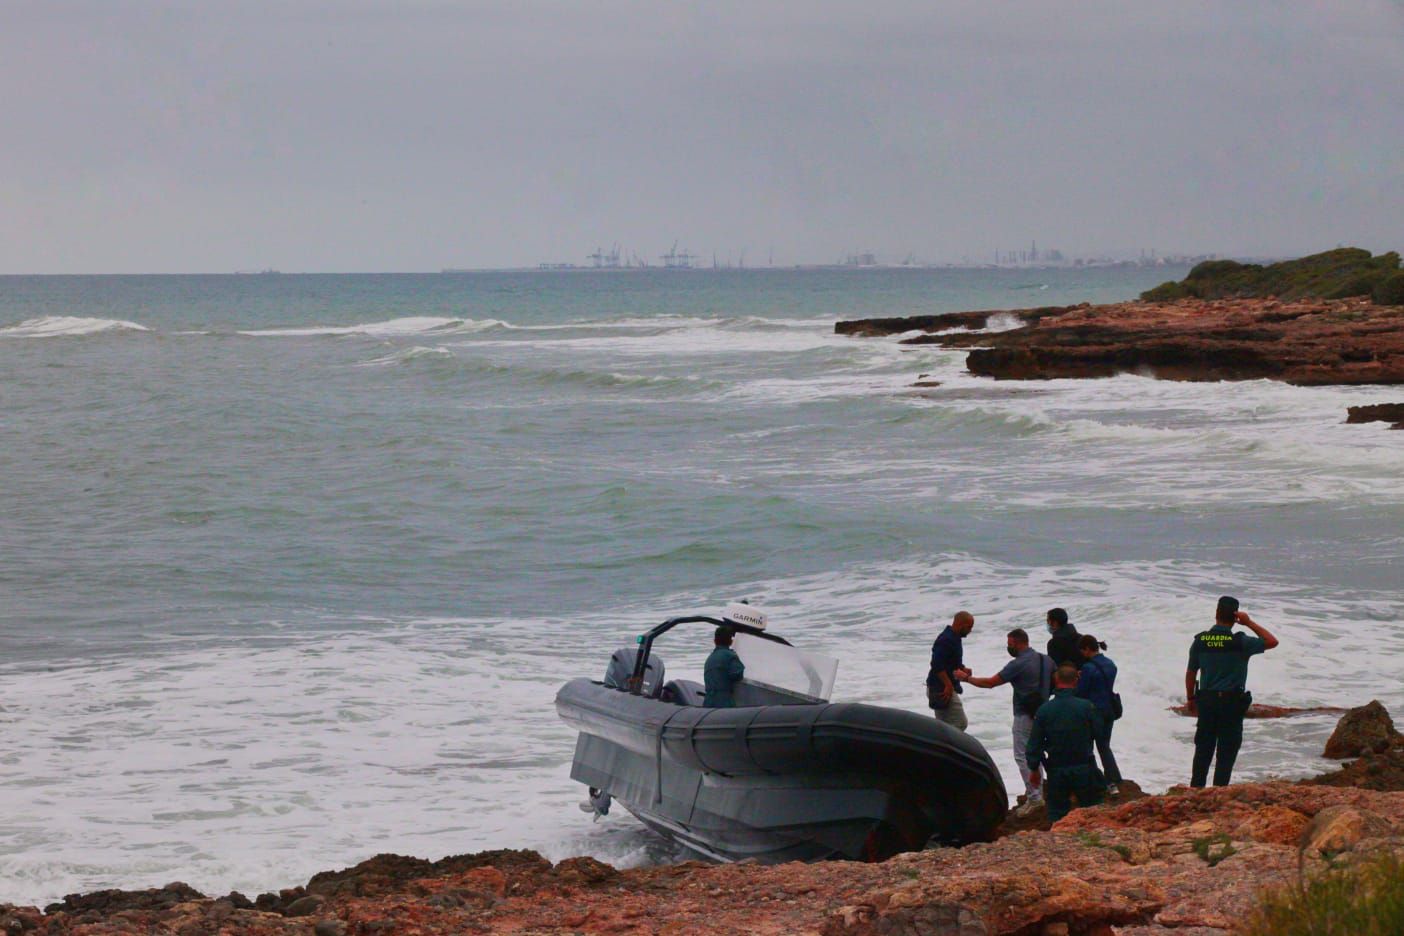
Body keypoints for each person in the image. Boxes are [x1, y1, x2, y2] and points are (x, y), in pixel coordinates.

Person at [1185, 596, 1279, 787]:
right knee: (1226, 751)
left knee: (1203, 749)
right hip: (1231, 703)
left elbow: (1191, 672)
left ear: (1216, 614)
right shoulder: (1240, 642)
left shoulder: (1201, 641)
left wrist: (1191, 698)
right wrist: (1249, 622)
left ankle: (1196, 791)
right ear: (1236, 617)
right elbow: (1272, 641)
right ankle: (1219, 791)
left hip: (1208, 701)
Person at [961, 628, 1052, 806]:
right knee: (1038, 753)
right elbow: (1056, 681)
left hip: (1024, 714)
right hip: (1045, 712)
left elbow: (990, 683)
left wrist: (966, 679)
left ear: (1018, 643)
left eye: (1010, 644)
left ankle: (1035, 797)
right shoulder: (1046, 660)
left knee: (1023, 755)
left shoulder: (1017, 664)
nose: (1008, 647)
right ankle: (1039, 790)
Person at [1027, 664, 1105, 824]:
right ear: (1076, 680)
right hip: (1085, 767)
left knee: (1057, 815)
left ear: (1056, 681)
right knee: (1092, 814)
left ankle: (1059, 845)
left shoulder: (1044, 710)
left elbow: (1035, 743)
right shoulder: (1086, 707)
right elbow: (1100, 736)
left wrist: (1034, 768)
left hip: (1057, 770)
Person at [1075, 634, 1123, 796]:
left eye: (1082, 650)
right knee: (1104, 747)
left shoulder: (1088, 668)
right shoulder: (1110, 664)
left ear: (1087, 649)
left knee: (1087, 748)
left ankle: (1094, 781)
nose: (1082, 654)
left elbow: (1081, 692)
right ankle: (1113, 782)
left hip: (1093, 712)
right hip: (1109, 710)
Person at [926, 611, 974, 731]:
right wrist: (948, 684)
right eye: (969, 627)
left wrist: (962, 668)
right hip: (941, 688)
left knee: (943, 724)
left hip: (941, 686)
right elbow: (936, 664)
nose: (970, 630)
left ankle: (939, 747)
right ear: (960, 624)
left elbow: (949, 662)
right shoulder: (946, 639)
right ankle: (945, 747)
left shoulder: (955, 638)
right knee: (960, 723)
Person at [703, 626, 746, 708]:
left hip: (708, 703)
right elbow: (738, 675)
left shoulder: (710, 658)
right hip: (723, 703)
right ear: (731, 641)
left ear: (715, 641)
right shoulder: (730, 656)